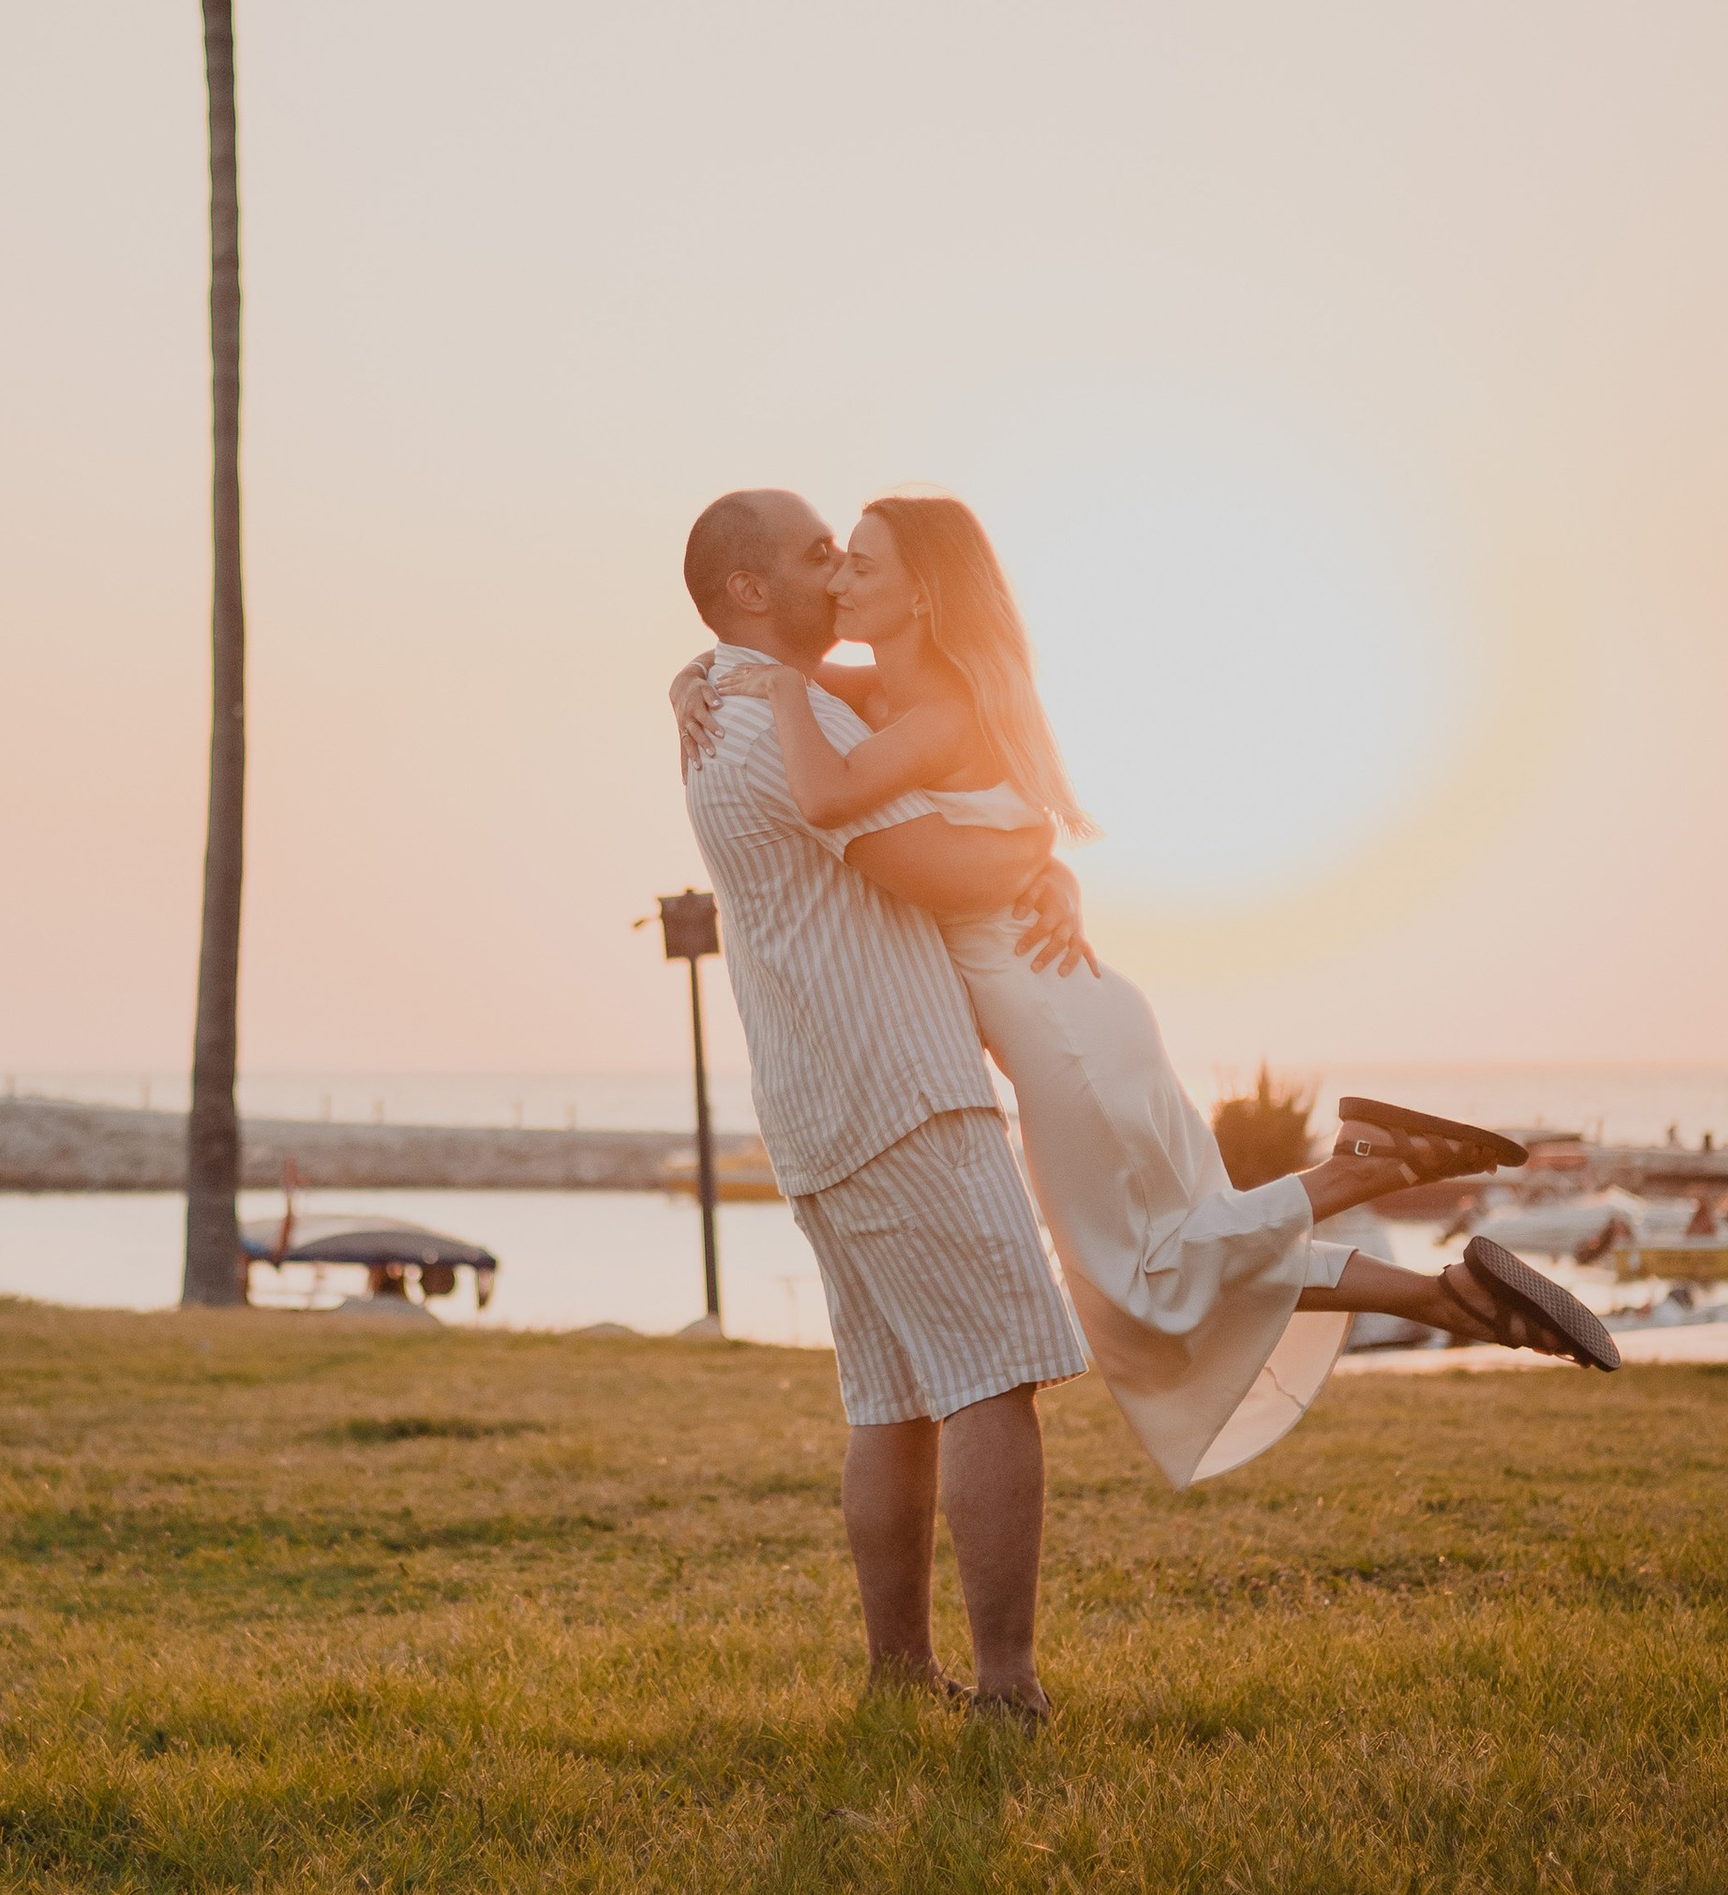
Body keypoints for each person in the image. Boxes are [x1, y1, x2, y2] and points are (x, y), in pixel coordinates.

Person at [678, 492, 1619, 1493]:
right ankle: (1445, 1298)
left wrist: (772, 691)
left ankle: (1356, 1174)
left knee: (1141, 1275)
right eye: (829, 559)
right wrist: (690, 679)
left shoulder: (922, 707)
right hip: (1070, 1005)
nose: (835, 578)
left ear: (920, 593)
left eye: (855, 563)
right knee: (1171, 1253)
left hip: (1049, 1020)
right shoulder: (889, 694)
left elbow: (825, 785)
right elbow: (764, 667)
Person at [677, 490, 1097, 1722]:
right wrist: (1045, 860)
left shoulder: (725, 699)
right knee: (992, 1379)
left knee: (891, 1394)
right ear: (752, 591)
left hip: (814, 1100)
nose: (838, 572)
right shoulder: (778, 721)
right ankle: (1008, 1688)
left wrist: (1035, 857)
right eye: (818, 555)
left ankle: (900, 1674)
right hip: (899, 1084)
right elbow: (934, 859)